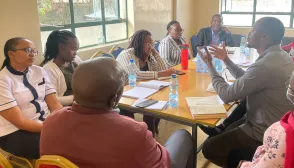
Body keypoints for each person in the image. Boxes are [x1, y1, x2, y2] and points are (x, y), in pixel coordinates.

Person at [40, 57, 193, 168]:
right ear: (115, 100)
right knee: (183, 136)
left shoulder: (50, 122)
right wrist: (154, 146)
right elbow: (162, 164)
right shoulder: (133, 132)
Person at [197, 17, 294, 167]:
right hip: (273, 123)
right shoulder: (279, 56)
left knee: (209, 148)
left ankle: (249, 163)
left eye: (253, 29)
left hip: (263, 131)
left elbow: (226, 95)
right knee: (223, 131)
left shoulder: (266, 64)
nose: (249, 33)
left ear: (264, 36)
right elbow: (248, 79)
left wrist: (209, 64)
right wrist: (226, 60)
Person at [0, 38, 62, 159]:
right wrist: (52, 129)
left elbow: (54, 104)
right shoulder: (0, 81)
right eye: (27, 50)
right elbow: (20, 122)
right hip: (14, 132)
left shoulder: (39, 71)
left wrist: (62, 121)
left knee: (75, 135)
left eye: (34, 51)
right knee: (59, 146)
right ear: (11, 54)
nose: (32, 54)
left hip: (46, 122)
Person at [116, 30, 176, 133]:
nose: (150, 46)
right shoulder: (127, 54)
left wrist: (155, 52)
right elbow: (135, 74)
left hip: (141, 90)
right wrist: (161, 74)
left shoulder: (148, 56)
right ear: (138, 43)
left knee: (157, 104)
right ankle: (134, 134)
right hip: (123, 92)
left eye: (151, 43)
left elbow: (163, 69)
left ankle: (150, 132)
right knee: (130, 118)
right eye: (147, 43)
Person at [42, 30, 82, 106]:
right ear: (61, 47)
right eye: (73, 49)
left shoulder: (76, 59)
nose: (75, 53)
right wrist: (78, 98)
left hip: (84, 101)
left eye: (76, 49)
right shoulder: (49, 70)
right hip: (69, 107)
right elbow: (54, 100)